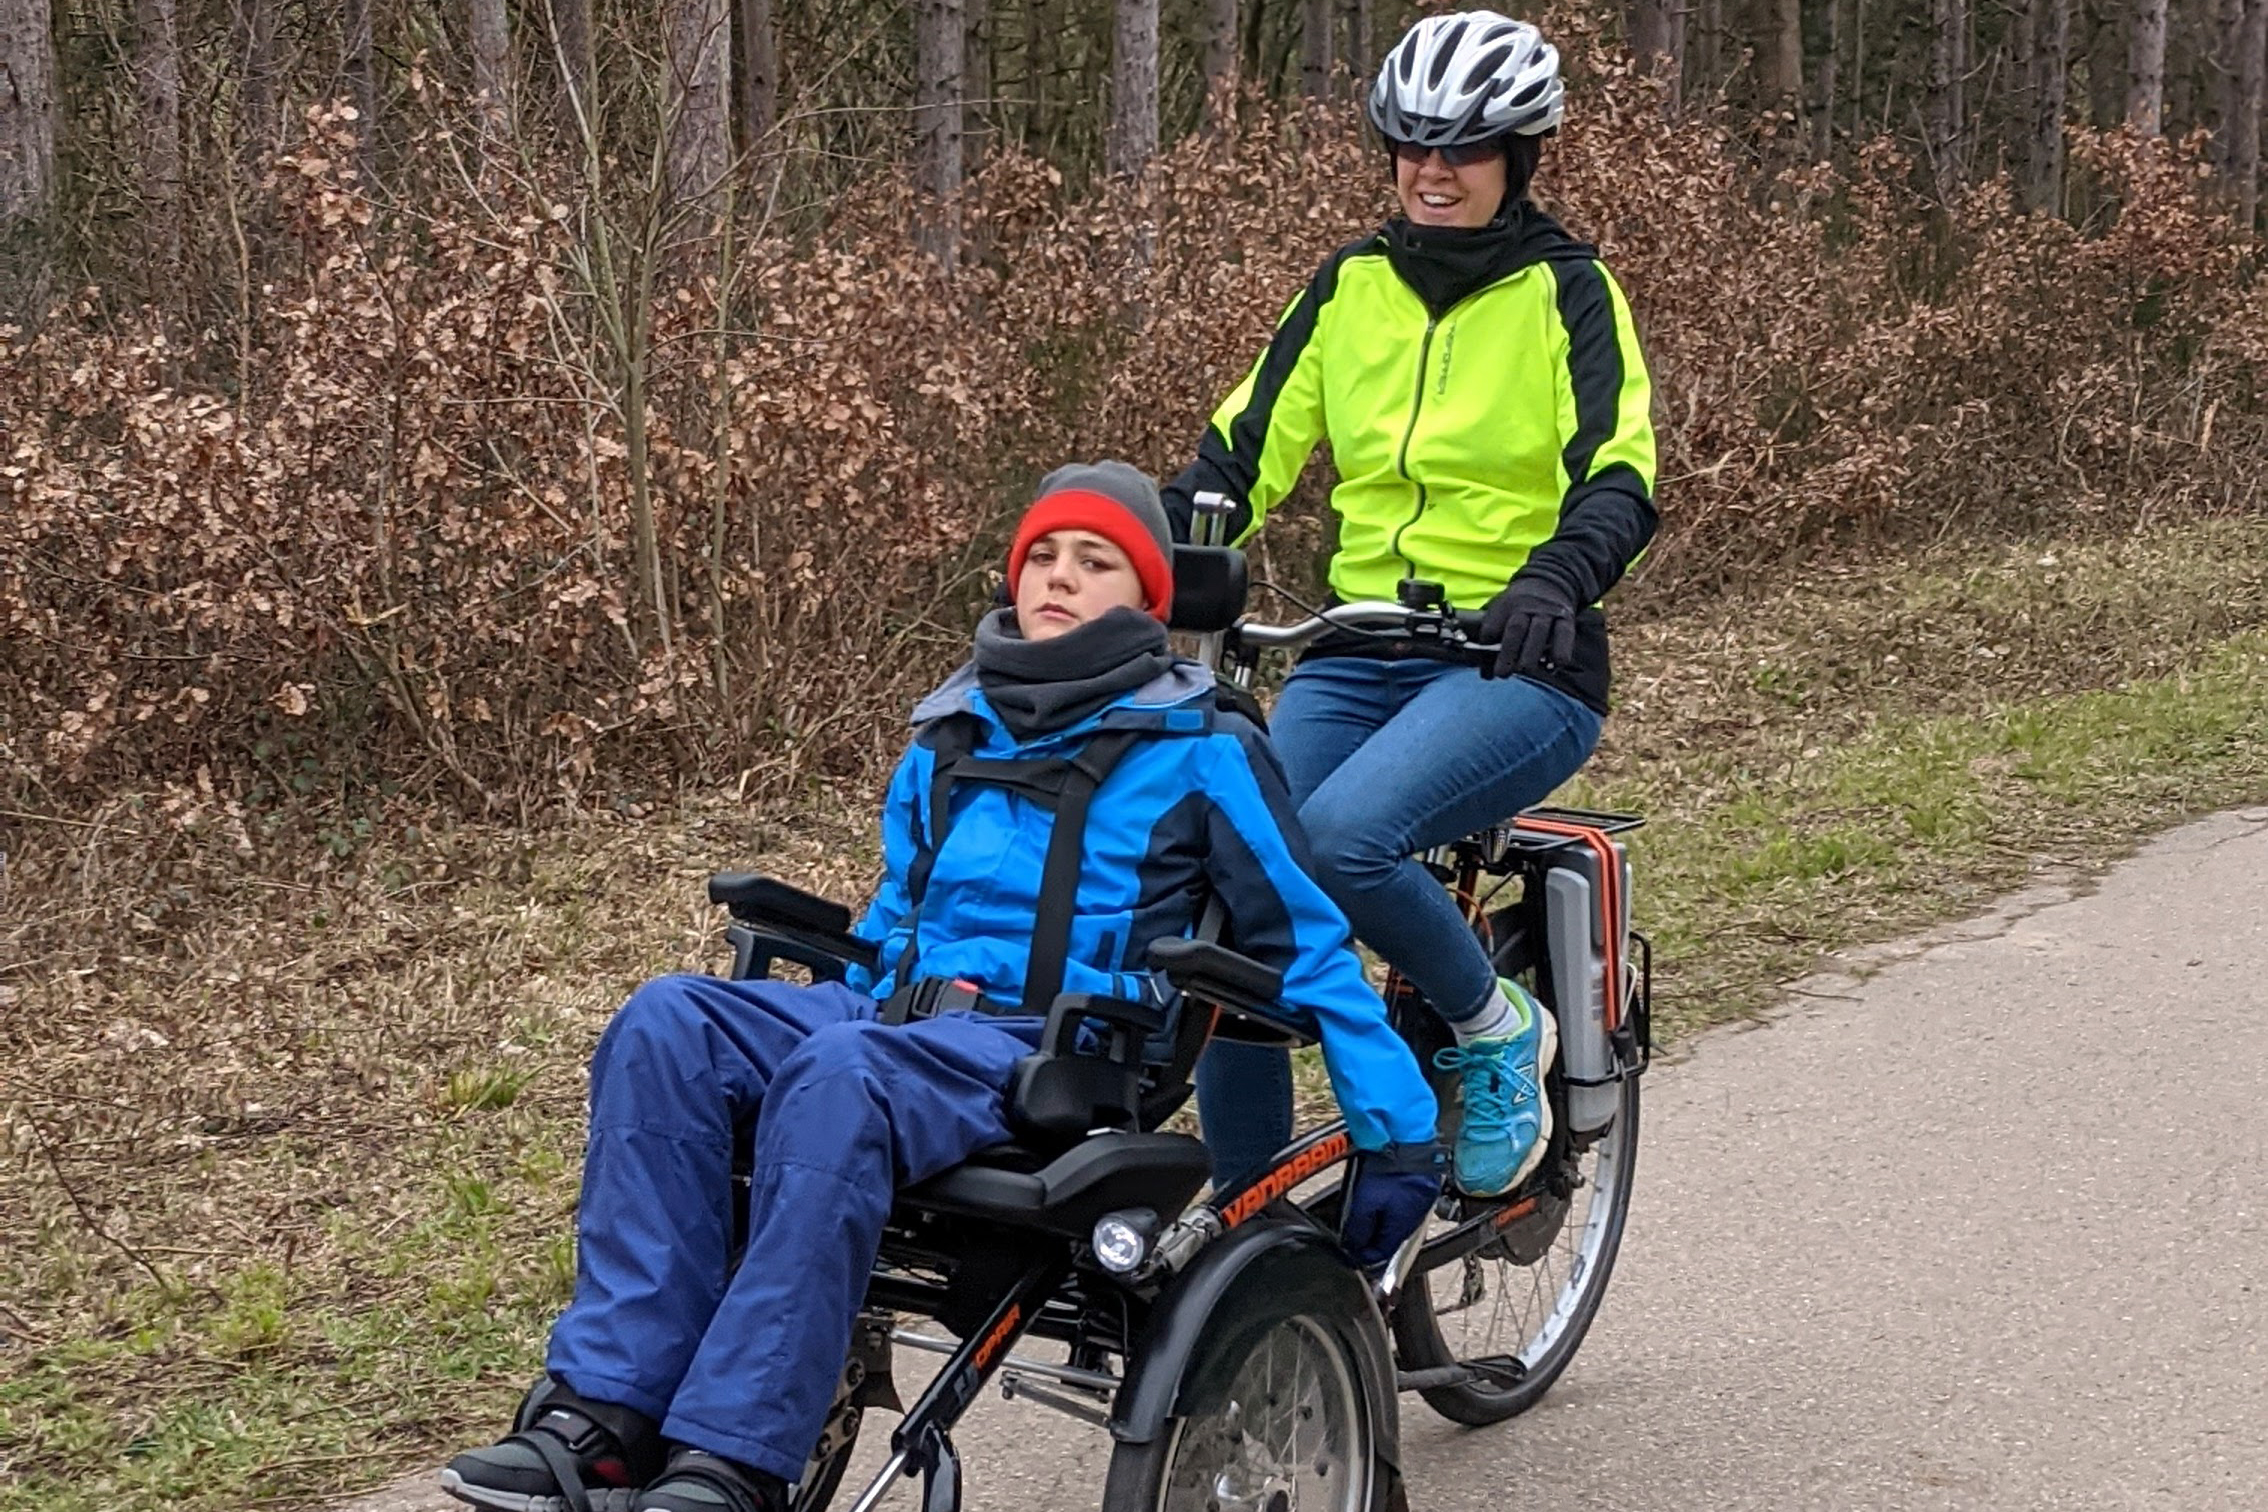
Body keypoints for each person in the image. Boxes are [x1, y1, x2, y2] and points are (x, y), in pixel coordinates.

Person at [439, 463, 1443, 1512]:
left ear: (1147, 596)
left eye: (1094, 562)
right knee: (668, 1022)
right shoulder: (951, 730)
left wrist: (1396, 1122)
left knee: (841, 1071)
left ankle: (733, 1461)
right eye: (1042, 557)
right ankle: (604, 1413)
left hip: (1059, 1051)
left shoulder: (1204, 748)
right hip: (897, 1020)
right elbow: (893, 923)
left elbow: (1308, 939)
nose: (1058, 577)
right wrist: (859, 976)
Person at [1164, 12, 1659, 1200]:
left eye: (1464, 150)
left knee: (1338, 842)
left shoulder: (1571, 294)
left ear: (1518, 157)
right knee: (1239, 888)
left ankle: (1493, 1028)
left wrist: (1555, 577)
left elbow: (1621, 478)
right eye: (1411, 147)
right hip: (1351, 651)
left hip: (1516, 664)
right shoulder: (1351, 288)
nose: (1433, 172)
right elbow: (1238, 456)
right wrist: (1128, 554)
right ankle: (1250, 1235)